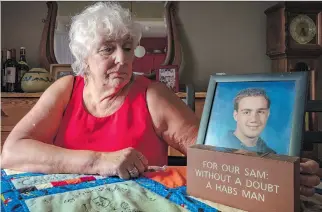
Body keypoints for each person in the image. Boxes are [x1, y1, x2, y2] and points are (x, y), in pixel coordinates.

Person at [0, 2, 320, 197]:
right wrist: (99, 161)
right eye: (107, 48)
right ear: (84, 54)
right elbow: (12, 152)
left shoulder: (152, 94)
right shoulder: (65, 88)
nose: (123, 59)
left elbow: (213, 155)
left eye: (128, 47)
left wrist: (282, 170)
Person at [220, 88, 276, 154]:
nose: (254, 119)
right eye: (246, 112)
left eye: (260, 112)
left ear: (268, 114)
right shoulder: (217, 149)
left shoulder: (272, 154)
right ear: (235, 115)